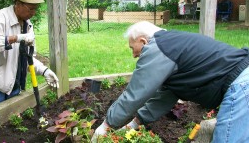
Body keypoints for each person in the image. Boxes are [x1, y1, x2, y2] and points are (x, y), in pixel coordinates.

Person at [92, 21, 249, 142]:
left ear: (144, 42)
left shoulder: (157, 48)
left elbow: (136, 93)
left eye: (132, 48)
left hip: (241, 84)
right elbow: (165, 96)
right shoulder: (172, 48)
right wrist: (134, 123)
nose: (133, 55)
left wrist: (106, 125)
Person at [0, 0, 59, 108]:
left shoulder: (28, 25)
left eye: (35, 9)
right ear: (18, 4)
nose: (33, 13)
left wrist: (44, 71)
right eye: (31, 9)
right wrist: (16, 38)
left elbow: (27, 58)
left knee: (10, 119)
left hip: (13, 81)